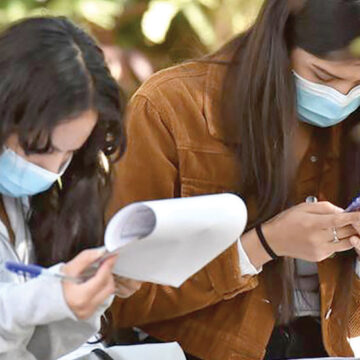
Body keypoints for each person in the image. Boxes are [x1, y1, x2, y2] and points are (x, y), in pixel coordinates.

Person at [106, 0, 360, 359]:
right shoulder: (172, 108)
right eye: (323, 77)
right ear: (279, 44)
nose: (341, 97)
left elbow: (351, 319)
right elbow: (120, 301)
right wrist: (260, 245)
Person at [0, 16, 140, 360]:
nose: (50, 170)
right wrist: (48, 295)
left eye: (69, 153)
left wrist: (89, 297)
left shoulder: (24, 204)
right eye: (41, 149)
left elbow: (28, 350)